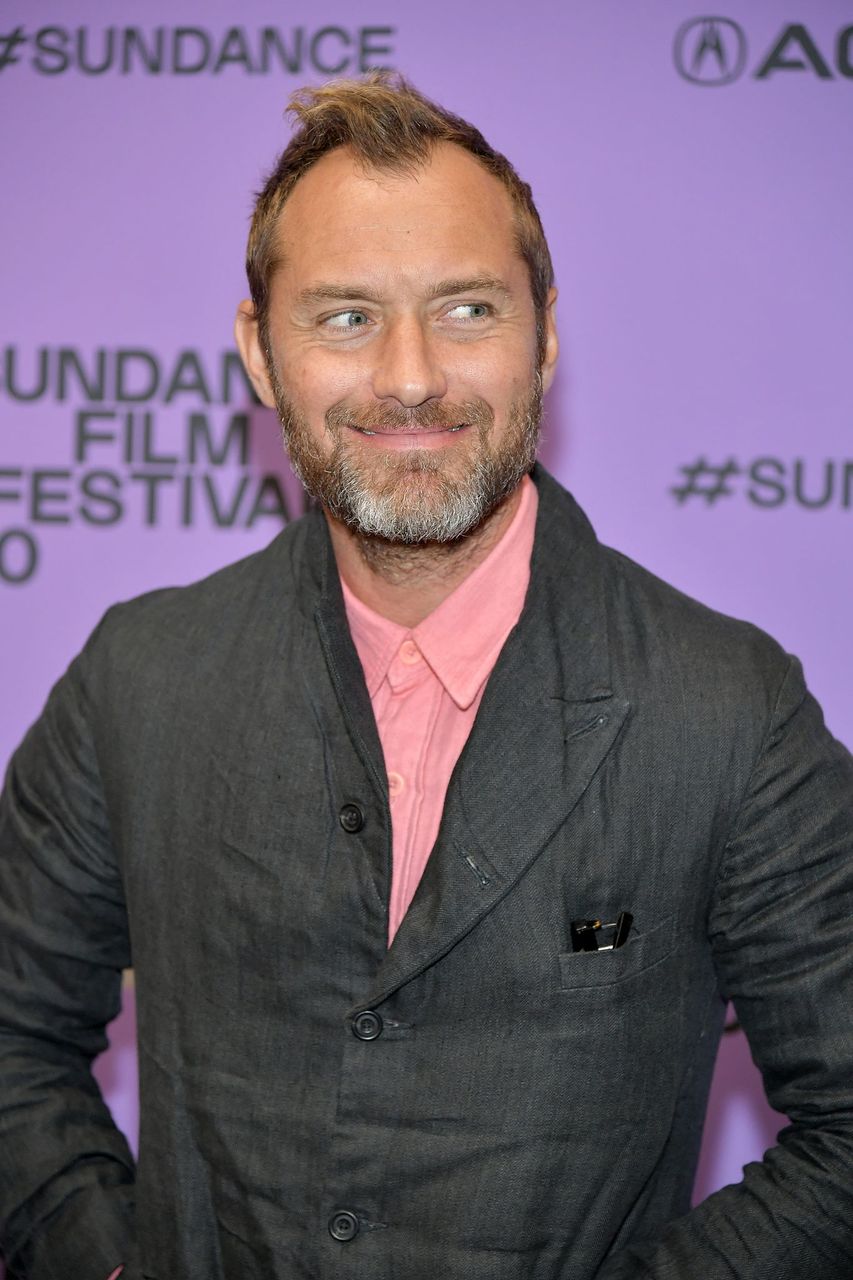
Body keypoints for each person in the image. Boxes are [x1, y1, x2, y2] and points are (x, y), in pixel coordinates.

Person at [1, 73, 852, 1280]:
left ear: (546, 334)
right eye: (345, 316)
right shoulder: (138, 680)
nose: (409, 377)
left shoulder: (726, 708)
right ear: (259, 350)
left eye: (465, 309)